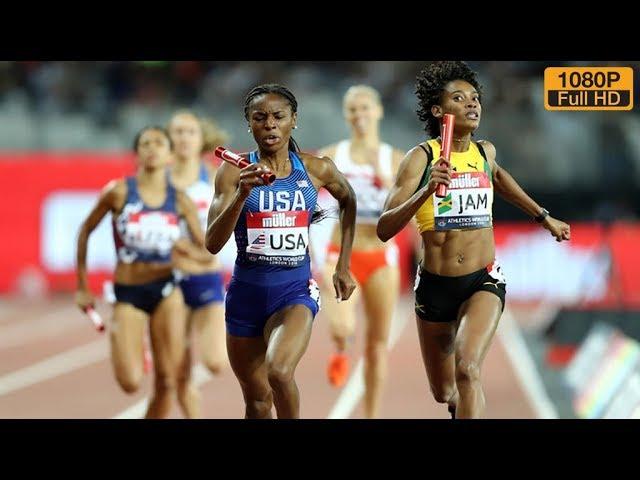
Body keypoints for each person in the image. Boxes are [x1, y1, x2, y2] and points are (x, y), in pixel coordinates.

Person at [377, 61, 571, 419]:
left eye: (475, 98)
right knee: (445, 391)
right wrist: (425, 190)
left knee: (468, 368)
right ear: (438, 110)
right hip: (435, 287)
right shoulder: (420, 158)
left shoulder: (485, 152)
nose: (472, 104)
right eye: (459, 98)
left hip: (482, 278)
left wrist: (543, 217)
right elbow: (384, 228)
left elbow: (500, 178)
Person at [206, 84, 357, 419]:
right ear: (250, 124)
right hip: (245, 295)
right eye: (260, 118)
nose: (270, 124)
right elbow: (213, 242)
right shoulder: (233, 171)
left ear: (294, 120)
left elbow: (348, 199)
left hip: (294, 291)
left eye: (278, 116)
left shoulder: (316, 169)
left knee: (279, 371)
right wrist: (242, 194)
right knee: (258, 403)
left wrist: (343, 265)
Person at [75, 126, 205, 418]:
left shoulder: (180, 199)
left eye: (159, 143)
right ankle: (124, 339)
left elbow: (205, 248)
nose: (152, 148)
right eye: (145, 143)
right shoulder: (119, 191)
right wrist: (82, 286)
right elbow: (84, 231)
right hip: (128, 293)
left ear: (171, 154)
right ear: (137, 154)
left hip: (166, 291)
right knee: (131, 382)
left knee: (168, 380)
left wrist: (186, 251)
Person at [317, 85, 405, 419]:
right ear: (346, 115)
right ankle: (340, 347)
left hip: (382, 257)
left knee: (377, 346)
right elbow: (305, 198)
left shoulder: (395, 159)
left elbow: (410, 216)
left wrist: (389, 187)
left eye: (366, 107)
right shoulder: (332, 156)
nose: (360, 115)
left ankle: (371, 414)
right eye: (353, 109)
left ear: (379, 111)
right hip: (343, 253)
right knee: (343, 328)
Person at [167, 111, 230, 418]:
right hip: (169, 280)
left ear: (200, 138)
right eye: (177, 132)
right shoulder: (157, 180)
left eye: (189, 132)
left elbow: (223, 229)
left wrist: (195, 251)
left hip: (206, 276)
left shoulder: (215, 177)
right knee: (178, 369)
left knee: (216, 361)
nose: (183, 138)